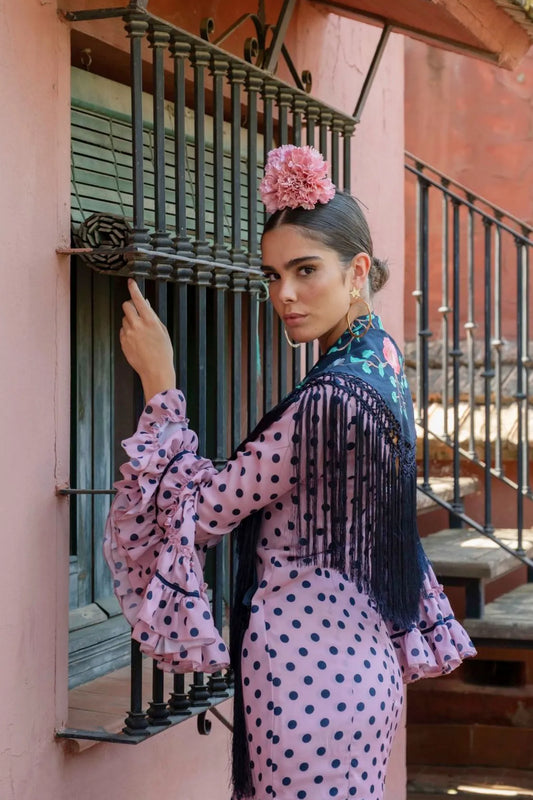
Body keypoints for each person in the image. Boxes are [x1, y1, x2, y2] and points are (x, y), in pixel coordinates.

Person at [104, 145, 475, 800]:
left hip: (310, 688)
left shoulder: (331, 402)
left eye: (305, 270)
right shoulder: (380, 361)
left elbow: (202, 512)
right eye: (272, 275)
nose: (285, 295)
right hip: (352, 671)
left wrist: (160, 382)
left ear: (357, 271)